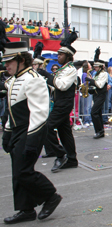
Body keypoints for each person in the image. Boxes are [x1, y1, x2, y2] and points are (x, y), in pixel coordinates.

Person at [1, 40, 62, 224]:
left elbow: (39, 113)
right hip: (18, 131)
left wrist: (31, 141)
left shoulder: (33, 79)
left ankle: (51, 196)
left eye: (9, 61)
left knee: (23, 171)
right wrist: (7, 133)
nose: (6, 65)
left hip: (32, 131)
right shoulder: (14, 80)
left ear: (21, 60)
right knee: (17, 172)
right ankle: (26, 210)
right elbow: (12, 112)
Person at [38, 32, 79, 172]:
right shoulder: (62, 70)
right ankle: (72, 159)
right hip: (59, 102)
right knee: (64, 132)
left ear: (68, 56)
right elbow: (55, 85)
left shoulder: (71, 69)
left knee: (46, 127)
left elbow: (62, 85)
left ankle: (61, 155)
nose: (58, 56)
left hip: (64, 104)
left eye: (60, 55)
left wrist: (48, 76)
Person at [86, 48, 108, 139]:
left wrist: (91, 81)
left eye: (96, 67)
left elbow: (99, 84)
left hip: (101, 95)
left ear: (100, 67)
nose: (94, 68)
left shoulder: (104, 74)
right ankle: (100, 131)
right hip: (96, 95)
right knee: (97, 113)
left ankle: (99, 131)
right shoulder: (96, 74)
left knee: (94, 112)